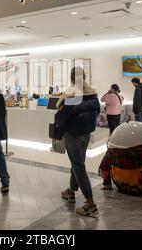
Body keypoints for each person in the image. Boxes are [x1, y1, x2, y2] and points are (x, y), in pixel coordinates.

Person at [55, 67, 99, 217]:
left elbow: (60, 117)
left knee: (78, 165)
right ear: (85, 77)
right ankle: (71, 192)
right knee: (77, 163)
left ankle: (91, 203)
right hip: (86, 132)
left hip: (72, 134)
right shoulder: (92, 93)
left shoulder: (71, 94)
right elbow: (97, 110)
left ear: (72, 78)